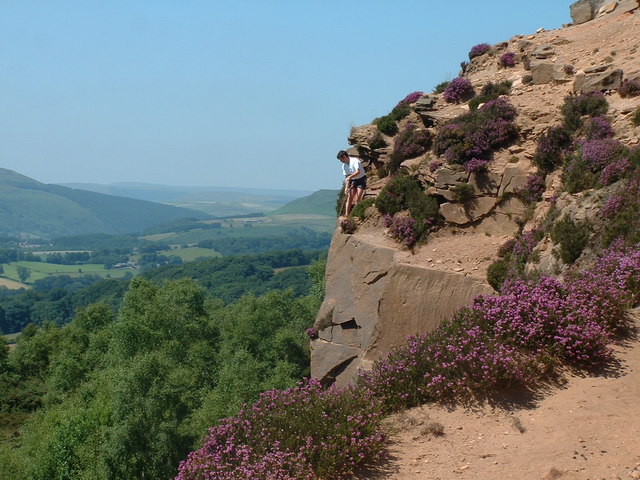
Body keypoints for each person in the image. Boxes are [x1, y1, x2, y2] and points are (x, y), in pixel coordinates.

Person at [337, 150, 366, 216]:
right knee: (350, 196)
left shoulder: (355, 161)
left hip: (361, 179)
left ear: (344, 157)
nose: (340, 161)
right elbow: (347, 177)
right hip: (353, 180)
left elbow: (358, 171)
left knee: (358, 197)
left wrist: (350, 177)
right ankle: (347, 214)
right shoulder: (344, 166)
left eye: (341, 159)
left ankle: (357, 213)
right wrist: (346, 187)